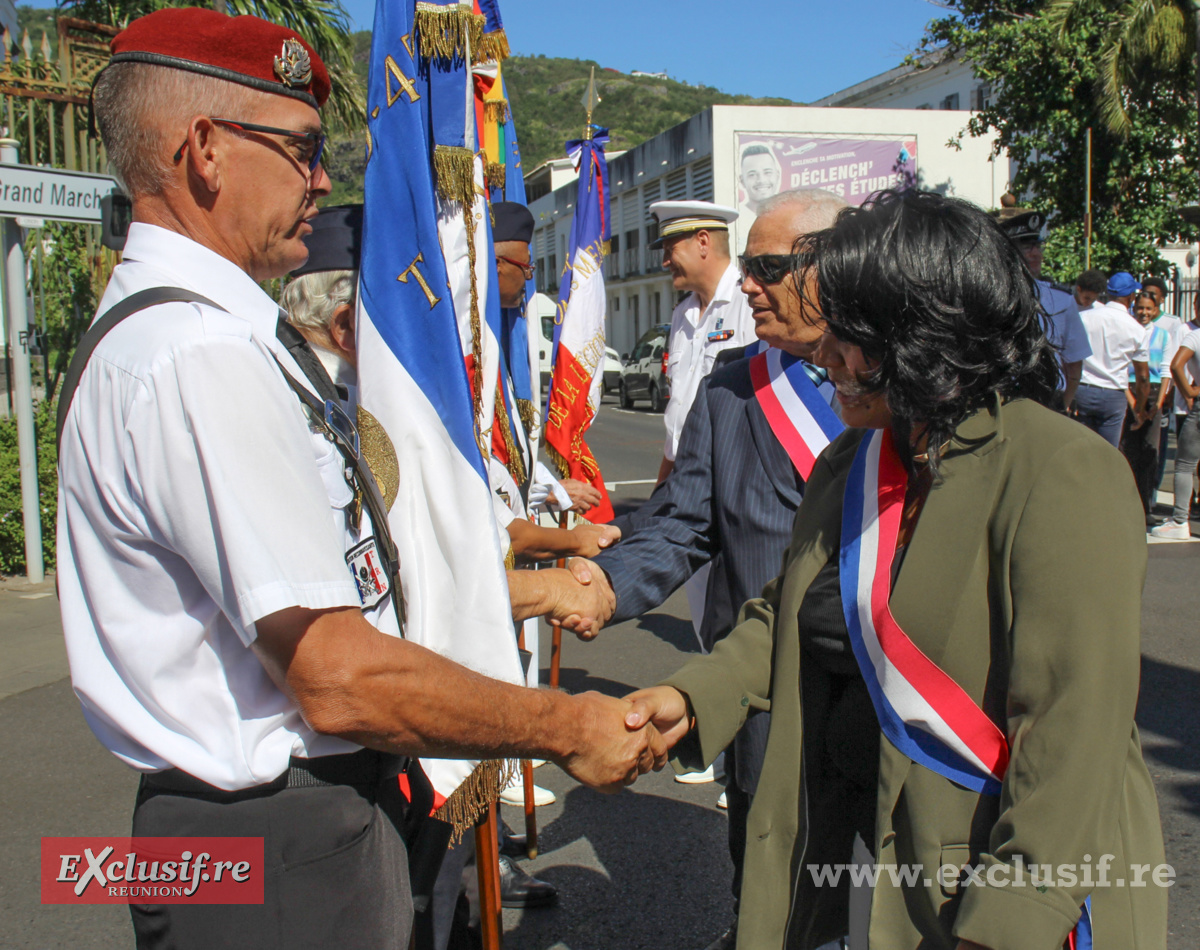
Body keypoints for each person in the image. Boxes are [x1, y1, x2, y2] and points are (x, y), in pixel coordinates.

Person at [57, 11, 663, 948]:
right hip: (280, 845)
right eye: (300, 147)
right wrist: (565, 725)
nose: (325, 178)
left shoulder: (163, 329)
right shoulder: (200, 355)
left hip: (244, 833)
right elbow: (337, 677)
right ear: (205, 150)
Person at [626, 190, 1167, 950]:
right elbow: (791, 614)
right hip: (857, 863)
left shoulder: (1060, 467)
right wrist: (689, 699)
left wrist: (1009, 923)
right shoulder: (855, 460)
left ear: (930, 334)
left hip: (995, 895)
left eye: (856, 334)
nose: (829, 354)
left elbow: (1070, 736)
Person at [591, 188, 847, 950]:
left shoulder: (907, 387)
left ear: (830, 269)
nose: (745, 284)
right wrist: (599, 587)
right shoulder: (734, 390)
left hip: (887, 695)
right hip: (764, 690)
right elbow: (682, 525)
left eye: (766, 268)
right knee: (768, 878)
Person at [652, 199, 756, 483]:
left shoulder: (751, 304)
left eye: (670, 249)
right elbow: (679, 414)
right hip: (684, 475)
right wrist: (662, 488)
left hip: (733, 475)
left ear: (702, 242)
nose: (665, 262)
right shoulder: (682, 313)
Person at [996, 209, 1091, 410]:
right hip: (1003, 400)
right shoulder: (991, 297)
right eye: (1027, 246)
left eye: (1038, 246)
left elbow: (1074, 362)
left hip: (1048, 401)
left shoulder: (1061, 299)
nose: (1036, 253)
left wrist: (1063, 405)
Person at [1074, 271, 1150, 446]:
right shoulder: (1137, 329)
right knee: (1108, 453)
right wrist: (1139, 406)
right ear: (1131, 296)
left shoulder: (1084, 318)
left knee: (1081, 449)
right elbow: (1143, 377)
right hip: (1113, 395)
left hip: (1083, 390)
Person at [1121, 291, 1174, 518]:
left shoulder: (1163, 335)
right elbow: (1121, 368)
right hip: (1130, 392)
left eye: (1148, 309)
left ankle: (1145, 507)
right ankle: (1124, 505)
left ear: (1155, 310)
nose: (1144, 313)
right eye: (1140, 308)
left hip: (1152, 395)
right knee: (1126, 451)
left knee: (1149, 453)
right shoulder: (1128, 330)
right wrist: (1134, 403)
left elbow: (1165, 371)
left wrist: (1157, 404)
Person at [1151, 295, 1200, 540]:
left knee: (1185, 465)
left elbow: (1176, 365)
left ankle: (1181, 520)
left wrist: (1191, 391)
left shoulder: (1194, 335)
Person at [737, 143, 782, 219]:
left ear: (777, 175)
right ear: (742, 181)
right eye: (752, 174)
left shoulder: (791, 215)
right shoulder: (735, 218)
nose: (761, 180)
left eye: (767, 172)